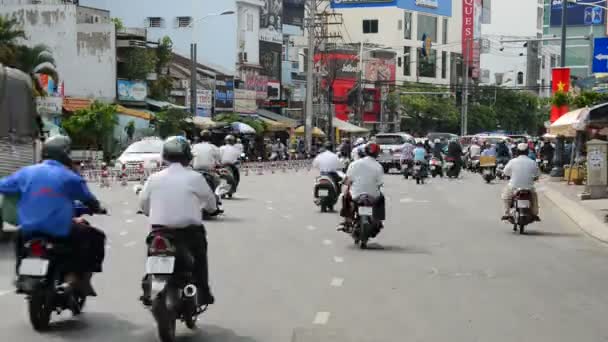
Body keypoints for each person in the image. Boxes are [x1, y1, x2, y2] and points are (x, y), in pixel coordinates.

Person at [0, 135, 106, 296]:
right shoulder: (69, 176)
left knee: (19, 240)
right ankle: (77, 278)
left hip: (28, 230)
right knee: (96, 237)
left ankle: (21, 275)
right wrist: (97, 207)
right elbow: (88, 199)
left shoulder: (25, 173)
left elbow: (4, 186)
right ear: (65, 154)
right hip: (59, 230)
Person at [139, 136, 217, 306]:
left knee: (152, 255)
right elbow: (211, 203)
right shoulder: (195, 177)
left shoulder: (154, 178)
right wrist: (211, 209)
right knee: (199, 259)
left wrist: (148, 212)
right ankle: (203, 291)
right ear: (188, 156)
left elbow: (144, 203)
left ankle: (147, 289)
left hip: (159, 231)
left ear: (164, 156)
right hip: (188, 232)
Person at [339, 143, 385, 229]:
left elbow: (348, 180)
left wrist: (345, 183)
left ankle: (347, 220)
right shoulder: (379, 166)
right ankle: (378, 220)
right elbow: (380, 184)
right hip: (372, 195)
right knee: (381, 198)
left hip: (356, 194)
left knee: (345, 196)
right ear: (377, 153)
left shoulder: (354, 164)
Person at [501, 143, 541, 221]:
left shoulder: (512, 161)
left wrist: (510, 175)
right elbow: (538, 174)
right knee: (534, 199)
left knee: (505, 197)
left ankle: (507, 213)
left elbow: (505, 172)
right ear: (527, 152)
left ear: (517, 152)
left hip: (514, 186)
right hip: (529, 188)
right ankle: (534, 214)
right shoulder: (532, 162)